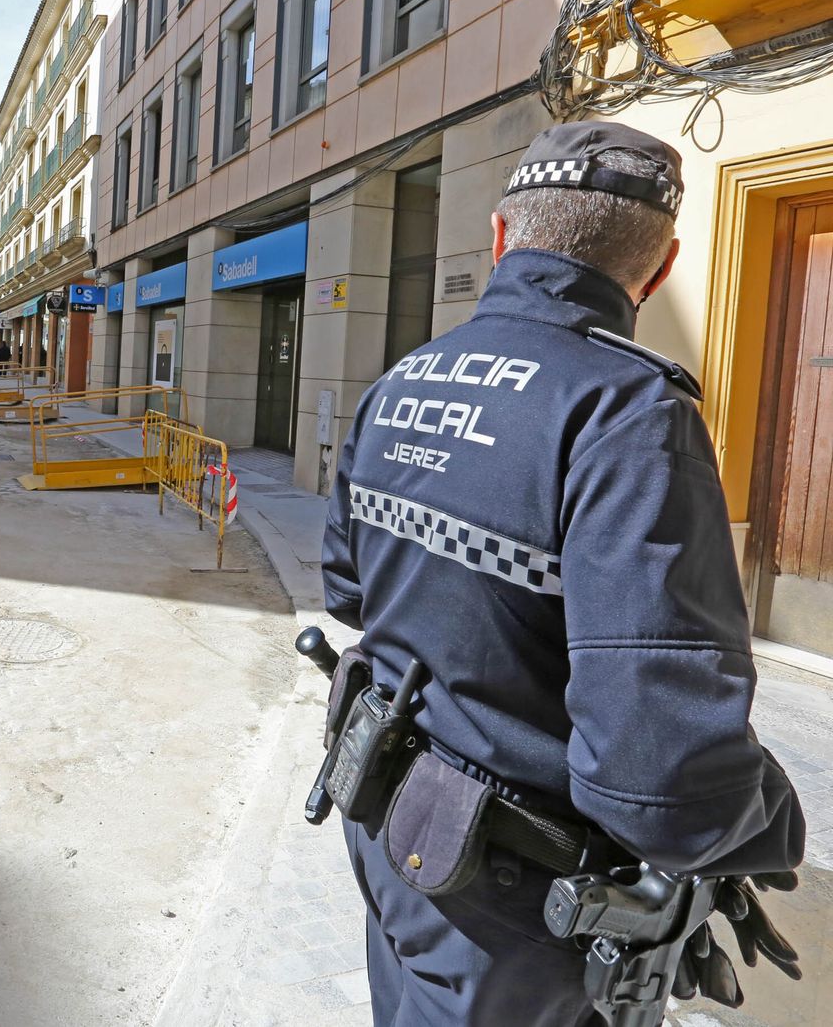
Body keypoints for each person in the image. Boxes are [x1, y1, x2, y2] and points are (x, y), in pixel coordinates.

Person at [320, 122, 804, 1025]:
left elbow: (347, 588)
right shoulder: (627, 413)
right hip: (506, 906)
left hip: (388, 831)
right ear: (657, 273)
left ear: (501, 237)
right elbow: (658, 776)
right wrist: (769, 823)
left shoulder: (404, 380)